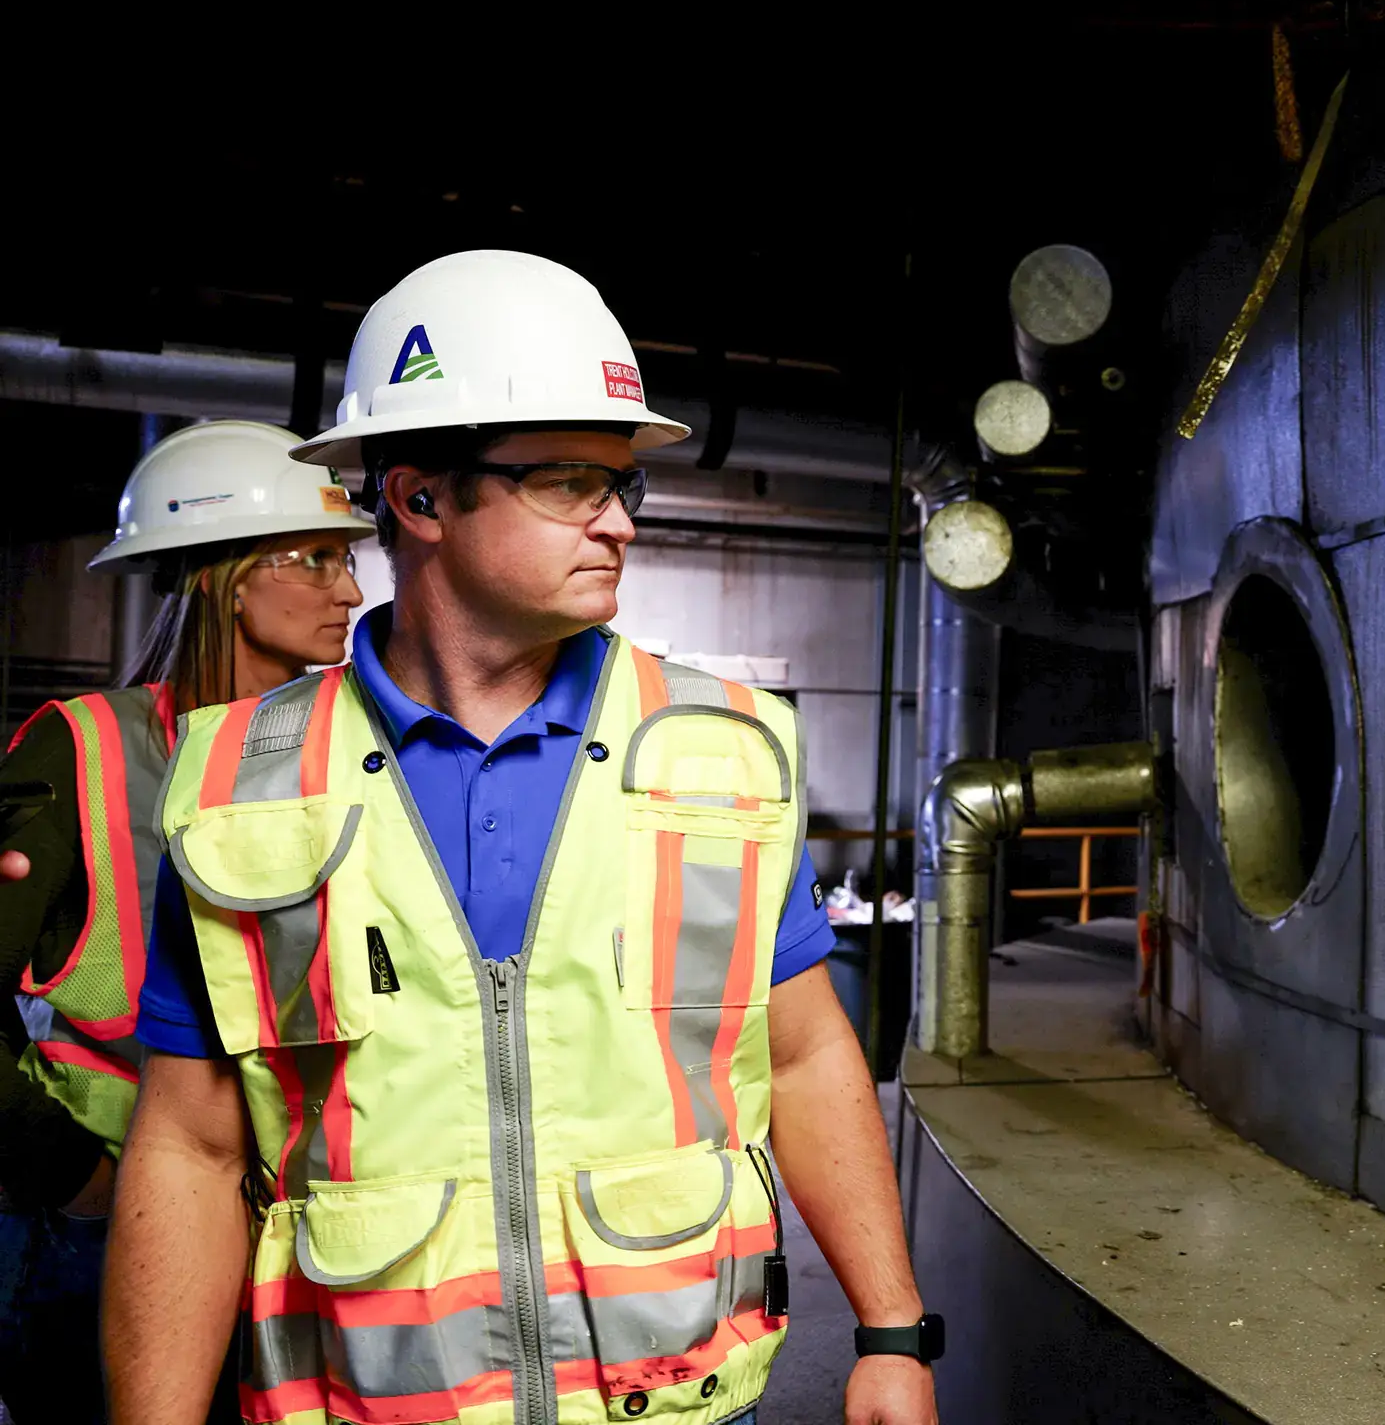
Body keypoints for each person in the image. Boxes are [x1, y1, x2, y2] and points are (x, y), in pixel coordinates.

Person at [104, 250, 940, 1425]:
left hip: (677, 1402)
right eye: (566, 482)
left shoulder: (717, 752)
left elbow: (803, 1057)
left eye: (620, 486)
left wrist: (893, 1333)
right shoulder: (248, 785)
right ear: (420, 498)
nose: (618, 523)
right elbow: (189, 1147)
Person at [0, 421, 371, 1425]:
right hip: (102, 1220)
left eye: (350, 559)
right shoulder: (80, 747)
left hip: (299, 1224)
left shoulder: (343, 768)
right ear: (229, 576)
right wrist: (68, 1172)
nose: (351, 590)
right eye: (321, 557)